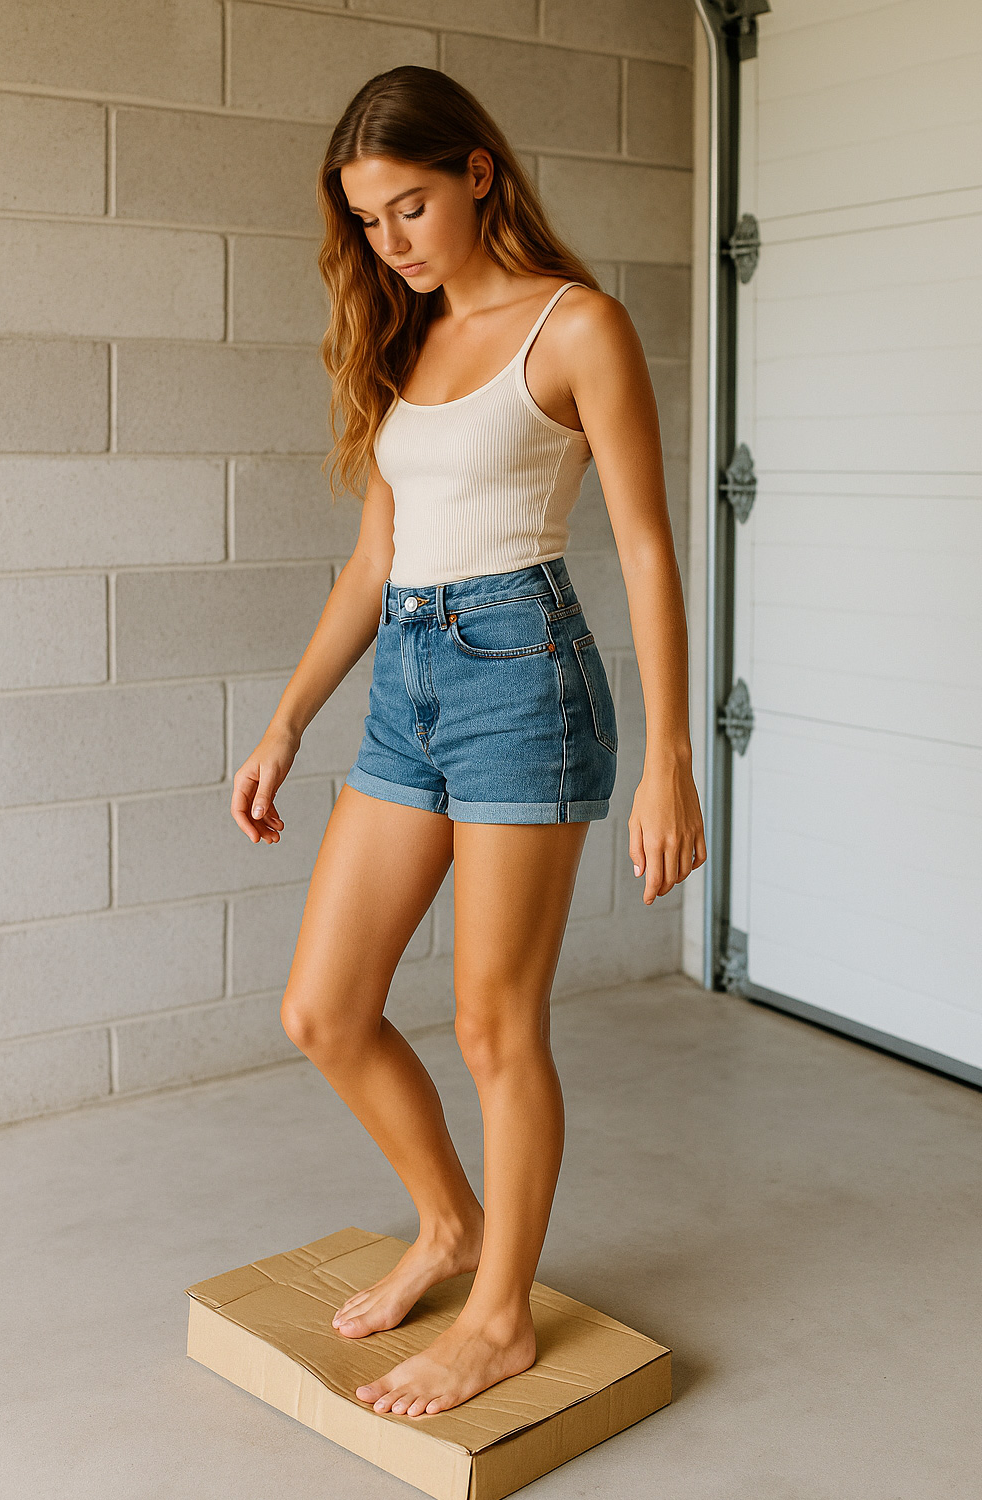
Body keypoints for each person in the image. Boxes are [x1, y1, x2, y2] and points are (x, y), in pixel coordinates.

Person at [230, 65, 706, 1420]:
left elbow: (648, 549)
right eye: (369, 219)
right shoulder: (406, 338)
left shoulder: (577, 326)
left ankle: (499, 1318)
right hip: (408, 689)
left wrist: (671, 756)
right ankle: (445, 1226)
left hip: (524, 680)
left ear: (480, 171)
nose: (392, 242)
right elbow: (374, 563)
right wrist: (283, 721)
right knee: (323, 1008)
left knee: (497, 1027)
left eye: (412, 203)